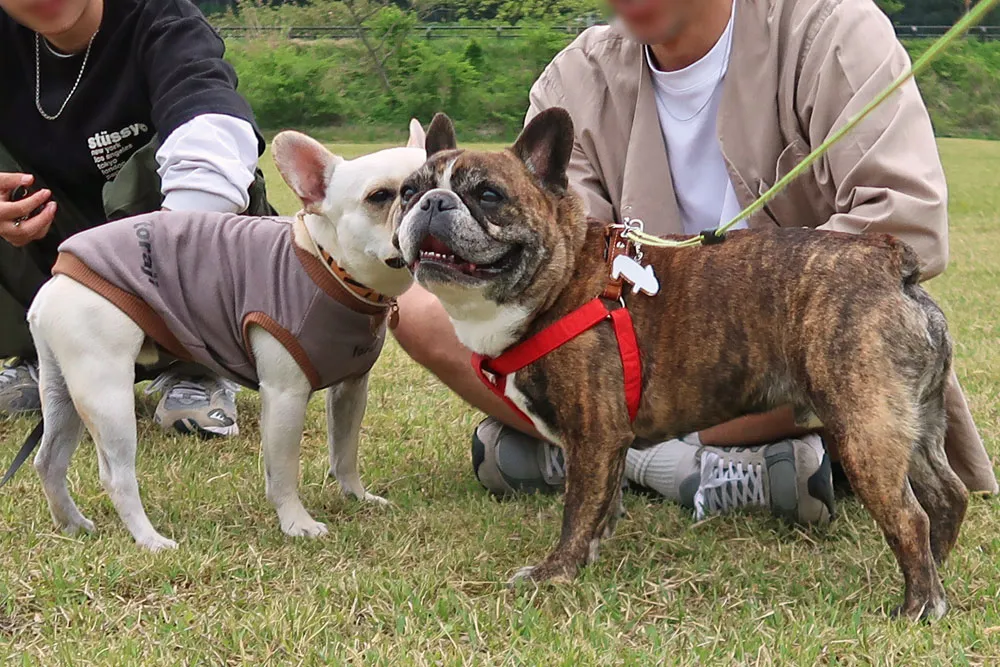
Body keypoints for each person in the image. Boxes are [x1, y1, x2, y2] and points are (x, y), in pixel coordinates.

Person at [392, 0, 999, 523]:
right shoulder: (574, 79)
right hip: (633, 366)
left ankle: (607, 458)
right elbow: (557, 266)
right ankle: (678, 466)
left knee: (824, 344)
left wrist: (736, 301)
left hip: (788, 354)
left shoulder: (832, 27)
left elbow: (904, 223)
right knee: (418, 310)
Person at [0, 0, 276, 436]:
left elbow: (210, 122)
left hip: (163, 245)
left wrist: (148, 264)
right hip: (62, 240)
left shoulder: (161, 17)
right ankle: (49, 355)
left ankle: (199, 367)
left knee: (181, 163)